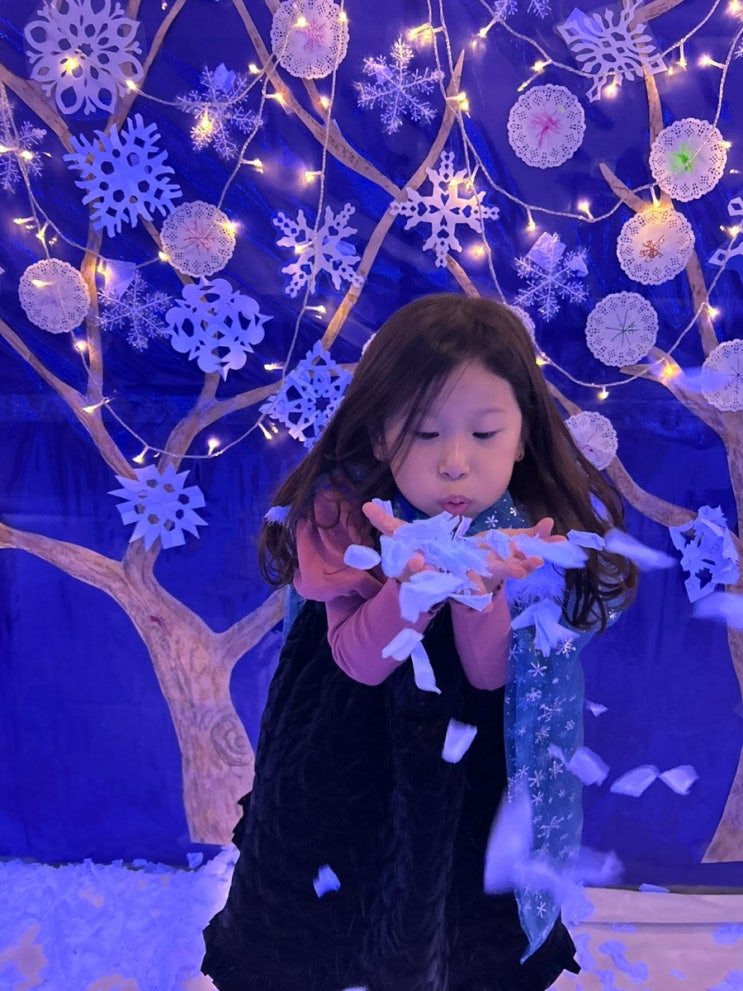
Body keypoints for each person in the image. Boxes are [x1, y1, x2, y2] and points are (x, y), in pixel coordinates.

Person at [202, 293, 638, 991]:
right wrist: (409, 590)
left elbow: (491, 677)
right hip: (348, 756)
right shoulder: (345, 521)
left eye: (485, 433)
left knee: (447, 919)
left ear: (523, 435)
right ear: (379, 435)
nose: (454, 463)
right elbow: (357, 663)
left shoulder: (529, 535)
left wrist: (478, 588)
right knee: (327, 912)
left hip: (467, 774)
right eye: (424, 433)